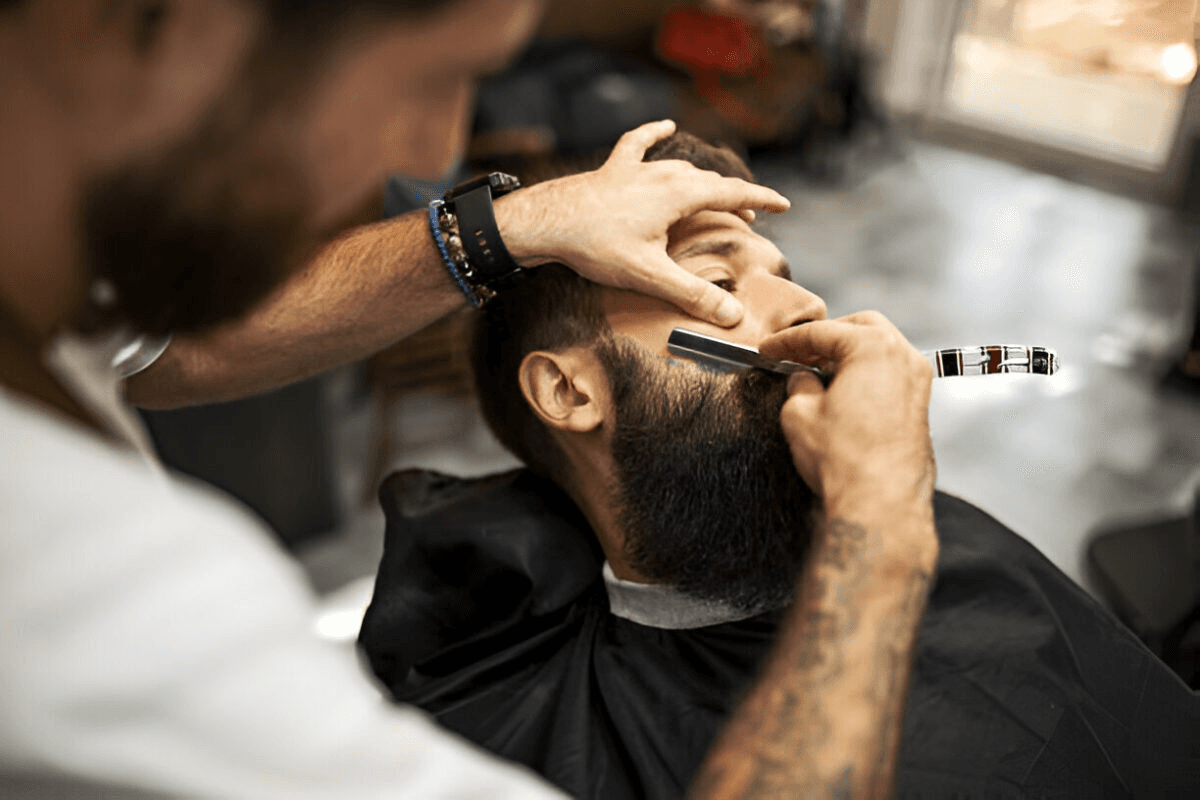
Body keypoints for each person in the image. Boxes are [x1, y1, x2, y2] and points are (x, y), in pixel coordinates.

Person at [0, 1, 931, 797]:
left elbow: (161, 348)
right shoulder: (96, 602)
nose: (431, 149)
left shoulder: (52, 315)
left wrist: (512, 226)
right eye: (430, 77)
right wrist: (880, 542)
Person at [359, 133, 1200, 799]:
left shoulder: (944, 536)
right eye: (718, 279)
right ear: (569, 390)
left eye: (787, 278)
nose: (805, 305)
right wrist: (880, 516)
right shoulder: (488, 719)